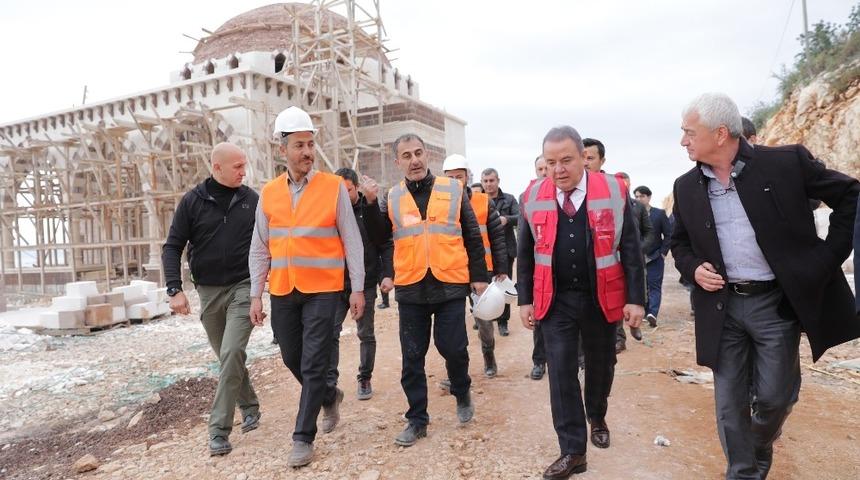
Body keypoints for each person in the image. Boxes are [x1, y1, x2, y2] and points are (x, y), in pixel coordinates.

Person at [671, 93, 860, 479]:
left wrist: (825, 260)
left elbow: (850, 196)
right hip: (721, 305)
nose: (683, 141)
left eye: (689, 133)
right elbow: (679, 243)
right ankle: (743, 472)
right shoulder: (686, 186)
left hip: (775, 304)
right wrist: (694, 269)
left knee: (774, 398)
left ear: (720, 134)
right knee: (729, 404)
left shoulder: (786, 163)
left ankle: (755, 447)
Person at [519, 126, 645, 479]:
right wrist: (525, 299)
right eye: (551, 162)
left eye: (567, 160)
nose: (559, 169)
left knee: (601, 366)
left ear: (583, 159)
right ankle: (573, 451)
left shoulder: (613, 191)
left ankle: (597, 414)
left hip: (601, 297)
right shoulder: (532, 196)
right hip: (555, 300)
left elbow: (632, 249)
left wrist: (636, 299)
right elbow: (525, 254)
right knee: (560, 373)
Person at [248, 106, 366, 467]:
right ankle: (329, 395)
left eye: (311, 144)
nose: (307, 152)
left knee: (315, 361)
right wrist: (256, 293)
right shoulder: (268, 193)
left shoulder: (332, 187)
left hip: (324, 289)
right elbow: (259, 246)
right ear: (282, 150)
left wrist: (357, 287)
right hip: (284, 288)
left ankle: (303, 436)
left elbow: (352, 240)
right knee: (291, 356)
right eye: (299, 145)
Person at [378, 133, 488, 447]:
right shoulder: (392, 197)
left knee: (453, 347)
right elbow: (382, 240)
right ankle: (417, 420)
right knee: (412, 358)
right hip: (412, 286)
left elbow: (472, 234)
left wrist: (479, 277)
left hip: (449, 282)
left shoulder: (453, 189)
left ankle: (461, 389)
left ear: (427, 156)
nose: (414, 160)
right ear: (397, 162)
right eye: (406, 156)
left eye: (418, 153)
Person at [162, 142, 261, 457]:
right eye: (237, 167)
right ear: (216, 167)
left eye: (244, 165)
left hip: (244, 288)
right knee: (228, 356)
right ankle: (251, 405)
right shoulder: (193, 202)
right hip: (208, 292)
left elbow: (270, 240)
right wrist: (174, 289)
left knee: (232, 351)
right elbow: (172, 245)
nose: (243, 172)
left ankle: (218, 430)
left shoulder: (251, 200)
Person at [443, 154, 508, 377]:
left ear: (467, 177)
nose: (455, 182)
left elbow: (497, 236)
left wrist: (500, 268)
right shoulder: (440, 205)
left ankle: (488, 356)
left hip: (482, 270)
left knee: (484, 319)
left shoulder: (482, 201)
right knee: (453, 323)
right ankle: (459, 368)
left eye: (459, 177)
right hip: (451, 271)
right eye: (450, 178)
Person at [329, 168, 389, 401]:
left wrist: (386, 274)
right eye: (339, 192)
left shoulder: (368, 210)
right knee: (330, 333)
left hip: (365, 283)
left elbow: (384, 242)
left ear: (357, 188)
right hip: (335, 283)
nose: (344, 196)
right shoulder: (330, 212)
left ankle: (365, 377)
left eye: (349, 191)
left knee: (365, 333)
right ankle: (330, 384)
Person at [614, 172, 655, 348]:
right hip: (613, 259)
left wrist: (639, 250)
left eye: (626, 184)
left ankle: (634, 324)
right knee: (615, 296)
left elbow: (649, 232)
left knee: (637, 291)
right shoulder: (609, 204)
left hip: (634, 258)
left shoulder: (637, 206)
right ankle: (618, 338)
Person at [480, 168, 519, 337]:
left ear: (498, 181)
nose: (488, 184)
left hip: (506, 250)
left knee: (503, 287)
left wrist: (506, 219)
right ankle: (484, 319)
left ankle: (503, 322)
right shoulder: (477, 200)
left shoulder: (509, 199)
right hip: (483, 252)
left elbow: (521, 216)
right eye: (485, 181)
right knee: (483, 287)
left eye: (491, 180)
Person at [522, 154, 549, 381]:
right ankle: (539, 361)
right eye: (539, 169)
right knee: (540, 320)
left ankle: (580, 361)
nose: (543, 172)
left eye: (546, 168)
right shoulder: (528, 198)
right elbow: (525, 244)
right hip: (539, 272)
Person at [633, 185, 671, 327]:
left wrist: (662, 253)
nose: (639, 199)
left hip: (655, 257)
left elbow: (668, 234)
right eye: (636, 196)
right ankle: (646, 311)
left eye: (642, 196)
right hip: (638, 257)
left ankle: (652, 313)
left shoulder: (659, 214)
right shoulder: (632, 214)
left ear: (649, 197)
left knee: (654, 285)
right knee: (642, 285)